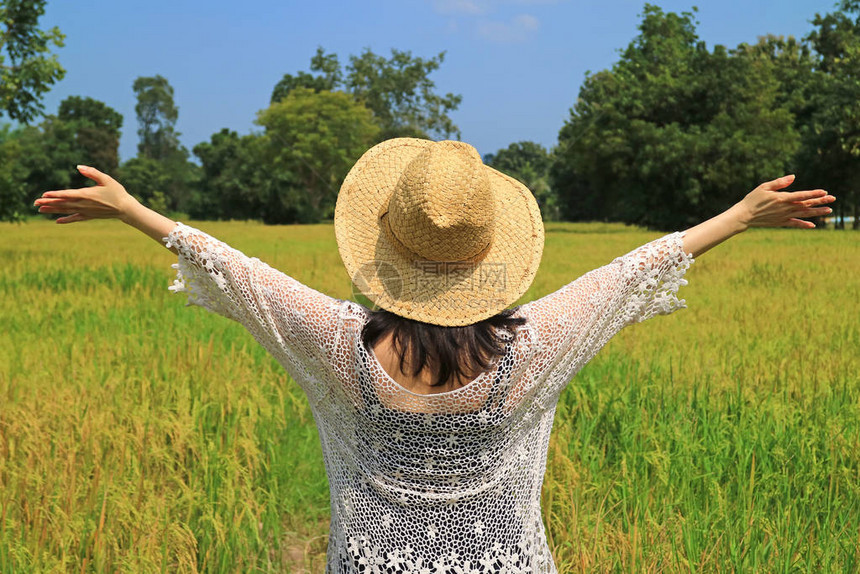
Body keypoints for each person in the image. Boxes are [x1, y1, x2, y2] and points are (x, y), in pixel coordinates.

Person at [34, 138, 834, 573]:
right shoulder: (537, 345)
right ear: (488, 257)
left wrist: (133, 209)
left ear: (385, 246)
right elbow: (630, 274)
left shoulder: (340, 342)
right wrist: (741, 213)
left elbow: (241, 275)